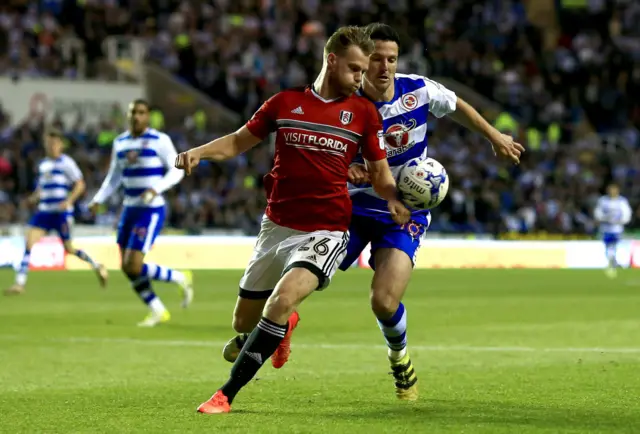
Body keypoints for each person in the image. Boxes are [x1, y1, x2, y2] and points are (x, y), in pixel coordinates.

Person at [175, 26, 411, 414]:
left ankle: (225, 395)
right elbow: (237, 141)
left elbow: (380, 173)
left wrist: (393, 199)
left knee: (281, 300)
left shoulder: (365, 114)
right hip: (277, 225)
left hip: (328, 227)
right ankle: (282, 327)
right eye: (354, 69)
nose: (361, 78)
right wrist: (199, 152)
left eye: (364, 70)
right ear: (331, 60)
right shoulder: (284, 103)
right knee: (241, 323)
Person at [339, 23, 524, 401]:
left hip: (403, 211)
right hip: (352, 206)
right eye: (376, 58)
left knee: (384, 301)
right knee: (306, 275)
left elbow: (457, 106)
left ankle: (399, 358)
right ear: (362, 60)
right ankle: (277, 327)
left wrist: (495, 136)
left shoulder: (418, 90)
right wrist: (345, 168)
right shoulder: (343, 99)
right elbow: (318, 149)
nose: (385, 66)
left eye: (391, 58)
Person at [88, 100, 194, 327]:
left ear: (148, 116)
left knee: (133, 264)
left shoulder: (160, 140)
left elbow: (177, 171)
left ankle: (179, 277)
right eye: (133, 113)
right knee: (126, 267)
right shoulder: (121, 143)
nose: (136, 116)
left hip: (151, 209)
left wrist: (156, 188)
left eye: (141, 112)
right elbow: (114, 177)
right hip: (129, 208)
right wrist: (98, 199)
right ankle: (157, 309)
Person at [4, 128, 108, 295]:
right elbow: (41, 188)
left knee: (69, 249)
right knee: (29, 242)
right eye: (48, 143)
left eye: (54, 143)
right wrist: (33, 198)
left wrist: (69, 201)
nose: (51, 146)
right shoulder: (43, 164)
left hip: (61, 213)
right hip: (44, 211)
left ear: (60, 145)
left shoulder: (66, 163)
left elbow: (80, 184)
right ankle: (19, 283)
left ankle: (97, 265)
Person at [594, 183, 632, 278]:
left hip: (617, 229)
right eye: (610, 190)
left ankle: (617, 263)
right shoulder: (603, 201)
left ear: (617, 191)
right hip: (605, 228)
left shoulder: (622, 201)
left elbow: (627, 214)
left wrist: (621, 221)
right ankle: (609, 264)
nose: (612, 192)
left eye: (614, 190)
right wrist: (605, 218)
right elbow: (597, 213)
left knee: (617, 246)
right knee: (607, 246)